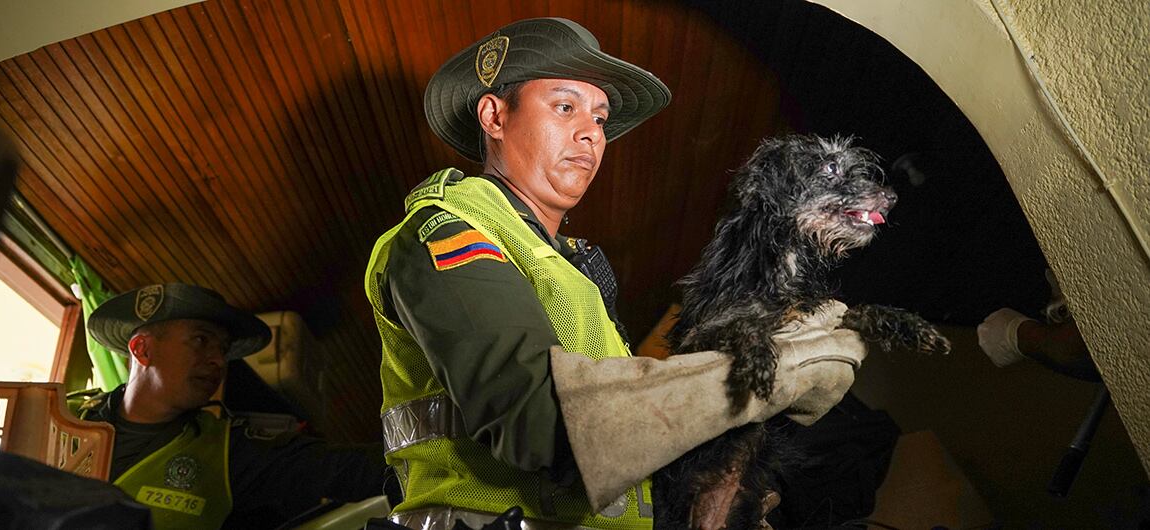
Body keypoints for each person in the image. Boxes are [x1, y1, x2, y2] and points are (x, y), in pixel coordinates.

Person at [364, 17, 868, 529]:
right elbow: (545, 425)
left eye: (601, 119)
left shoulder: (572, 270)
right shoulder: (449, 230)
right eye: (565, 107)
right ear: (494, 116)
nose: (591, 133)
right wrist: (754, 379)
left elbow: (624, 448)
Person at [80, 282, 388, 529]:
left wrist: (427, 454)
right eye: (201, 340)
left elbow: (345, 469)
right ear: (142, 349)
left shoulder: (231, 450)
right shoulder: (65, 415)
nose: (218, 361)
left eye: (223, 350)